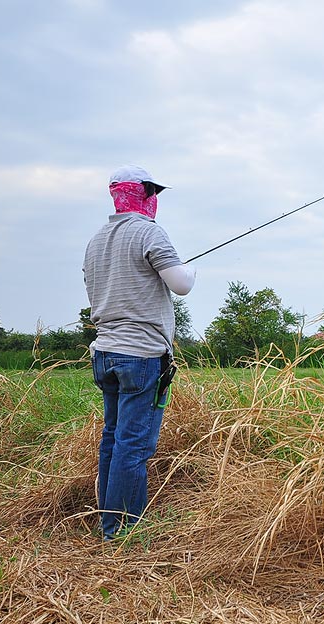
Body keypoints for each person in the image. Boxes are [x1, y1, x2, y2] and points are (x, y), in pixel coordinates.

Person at [83, 164, 196, 541]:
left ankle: (107, 522)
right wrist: (189, 270)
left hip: (104, 353)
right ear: (144, 194)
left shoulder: (96, 240)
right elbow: (181, 285)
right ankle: (121, 531)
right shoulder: (149, 232)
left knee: (112, 438)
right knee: (133, 445)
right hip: (142, 356)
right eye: (153, 194)